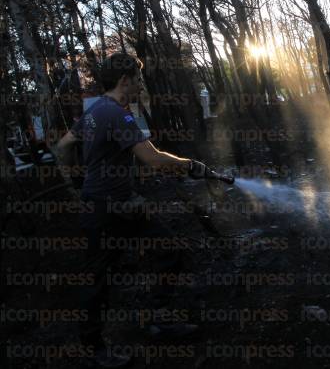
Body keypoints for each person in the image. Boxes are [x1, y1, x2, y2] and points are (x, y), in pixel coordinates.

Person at [55, 53, 222, 368]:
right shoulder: (117, 114)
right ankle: (93, 349)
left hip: (124, 204)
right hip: (104, 212)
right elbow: (154, 158)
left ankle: (158, 319)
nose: (140, 85)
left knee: (168, 250)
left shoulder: (94, 111)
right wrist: (191, 165)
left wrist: (74, 178)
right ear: (124, 80)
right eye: (138, 79)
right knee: (98, 279)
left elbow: (63, 145)